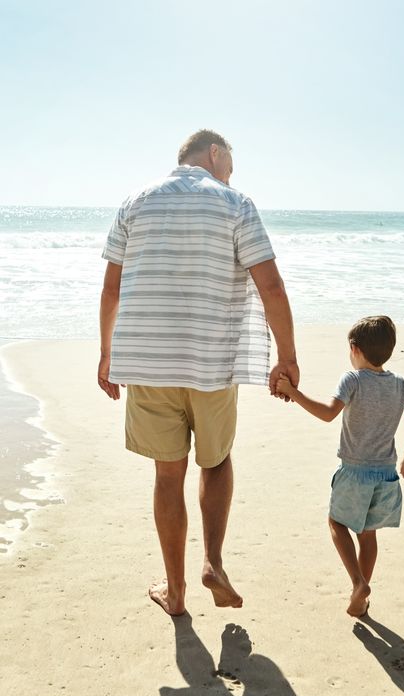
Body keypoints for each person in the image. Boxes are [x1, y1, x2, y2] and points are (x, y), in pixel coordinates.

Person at [98, 129, 298, 617]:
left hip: (148, 363)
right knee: (216, 461)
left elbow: (111, 289)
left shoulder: (134, 202)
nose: (232, 171)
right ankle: (212, 562)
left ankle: (176, 590)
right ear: (215, 153)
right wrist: (287, 355)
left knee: (168, 476)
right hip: (212, 364)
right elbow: (270, 285)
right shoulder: (235, 203)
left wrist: (107, 353)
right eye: (230, 161)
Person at [276, 316, 404, 617]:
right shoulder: (400, 385)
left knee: (336, 523)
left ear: (354, 348)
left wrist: (293, 393)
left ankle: (358, 582)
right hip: (386, 475)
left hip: (354, 472)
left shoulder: (353, 380)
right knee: (368, 534)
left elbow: (327, 413)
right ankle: (360, 595)